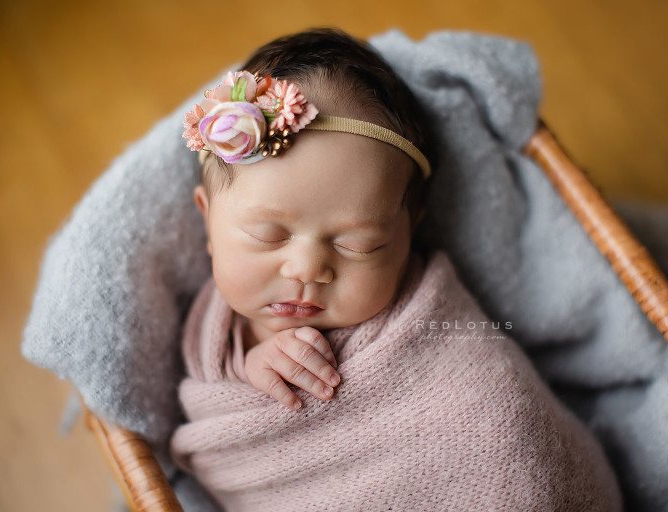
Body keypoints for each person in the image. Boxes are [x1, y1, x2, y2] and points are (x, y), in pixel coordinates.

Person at [171, 28, 621, 511]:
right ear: (207, 218)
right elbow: (223, 406)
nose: (307, 267)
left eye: (359, 244)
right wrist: (253, 365)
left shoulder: (434, 328)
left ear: (408, 235)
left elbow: (504, 431)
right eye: (269, 236)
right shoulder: (214, 330)